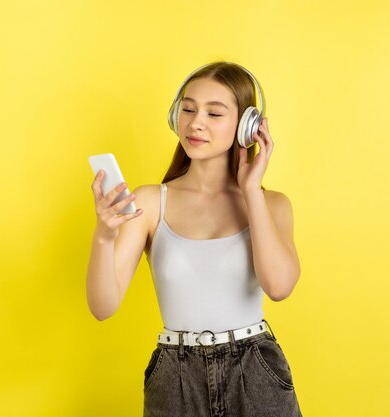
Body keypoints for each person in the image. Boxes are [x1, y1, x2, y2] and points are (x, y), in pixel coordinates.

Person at [86, 61, 302, 417]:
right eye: (187, 109)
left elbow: (279, 287)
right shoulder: (150, 202)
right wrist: (104, 236)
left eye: (214, 113)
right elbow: (102, 307)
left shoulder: (273, 205)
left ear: (246, 126)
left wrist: (250, 190)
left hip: (256, 369)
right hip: (175, 375)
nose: (195, 122)